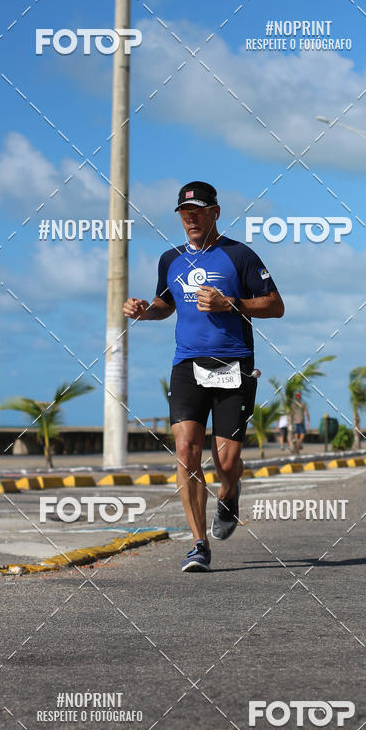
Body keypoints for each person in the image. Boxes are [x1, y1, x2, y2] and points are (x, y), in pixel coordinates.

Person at [123, 181, 284, 572]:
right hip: (187, 364)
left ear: (215, 212)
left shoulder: (239, 255)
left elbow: (275, 305)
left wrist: (232, 303)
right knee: (185, 450)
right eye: (184, 213)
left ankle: (229, 495)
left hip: (233, 364)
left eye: (198, 211)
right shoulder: (170, 259)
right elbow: (166, 304)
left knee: (226, 463)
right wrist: (146, 310)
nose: (191, 218)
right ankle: (199, 543)